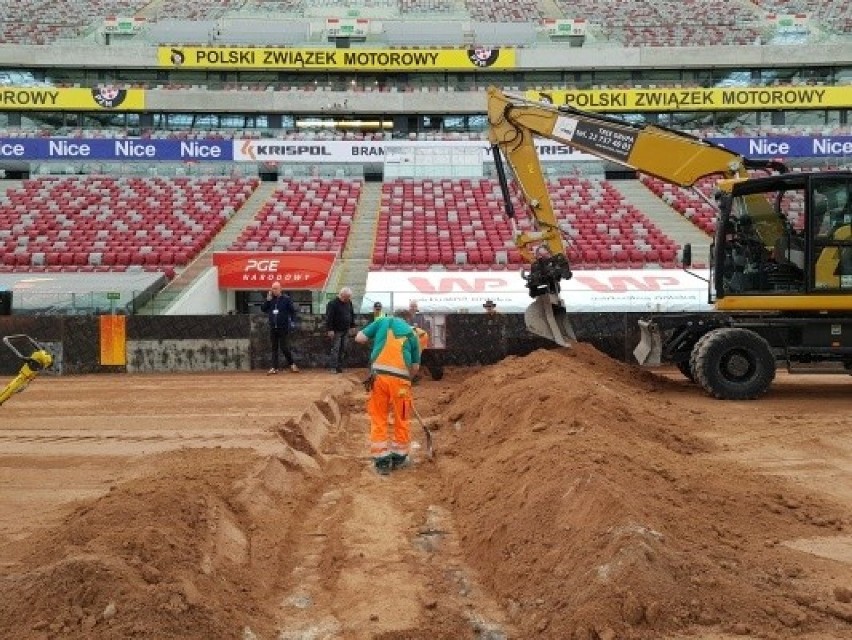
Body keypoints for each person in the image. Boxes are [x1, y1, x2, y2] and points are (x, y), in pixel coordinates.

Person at [355, 309, 421, 475]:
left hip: (379, 378)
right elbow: (415, 367)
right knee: (402, 417)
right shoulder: (412, 334)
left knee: (378, 416)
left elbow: (359, 338)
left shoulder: (382, 322)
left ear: (394, 315)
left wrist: (376, 338)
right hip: (401, 382)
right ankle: (399, 457)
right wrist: (408, 381)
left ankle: (382, 461)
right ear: (408, 320)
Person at [261, 282, 299, 374]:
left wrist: (293, 322)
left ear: (280, 289)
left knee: (284, 347)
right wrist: (267, 300)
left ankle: (292, 364)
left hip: (283, 327)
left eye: (275, 288)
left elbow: (293, 311)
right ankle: (274, 367)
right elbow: (263, 309)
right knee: (274, 348)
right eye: (272, 288)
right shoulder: (270, 300)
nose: (273, 290)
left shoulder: (286, 299)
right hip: (273, 327)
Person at [326, 286, 356, 373]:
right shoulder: (332, 303)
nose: (348, 299)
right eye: (347, 297)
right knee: (335, 349)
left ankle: (339, 366)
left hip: (346, 330)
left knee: (343, 348)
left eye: (349, 297)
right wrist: (330, 329)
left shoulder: (349, 302)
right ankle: (333, 367)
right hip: (336, 330)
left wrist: (352, 325)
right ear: (342, 295)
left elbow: (351, 314)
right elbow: (329, 317)